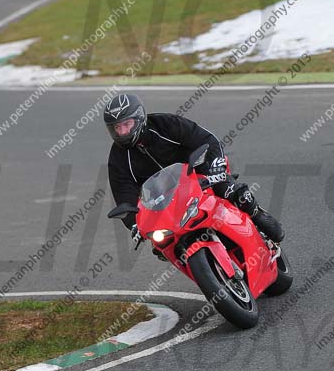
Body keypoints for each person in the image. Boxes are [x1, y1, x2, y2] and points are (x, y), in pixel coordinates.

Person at [104, 93, 284, 252]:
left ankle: (257, 215)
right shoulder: (117, 158)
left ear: (139, 118)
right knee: (161, 245)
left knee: (231, 192)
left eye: (127, 124)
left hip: (198, 173)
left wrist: (216, 165)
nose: (123, 132)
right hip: (165, 199)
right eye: (117, 128)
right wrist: (134, 224)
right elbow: (123, 194)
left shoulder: (165, 124)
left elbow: (206, 139)